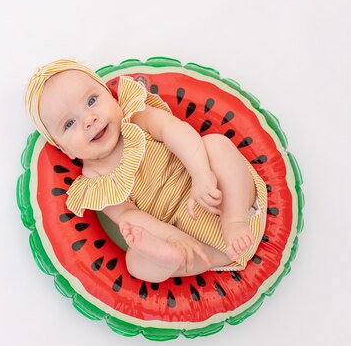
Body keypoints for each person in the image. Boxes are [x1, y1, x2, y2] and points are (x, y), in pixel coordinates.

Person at [26, 59, 267, 283]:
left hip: (221, 197)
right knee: (134, 262)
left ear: (110, 97)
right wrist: (172, 237)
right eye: (69, 124)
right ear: (63, 149)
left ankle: (234, 220)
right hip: (195, 244)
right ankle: (176, 257)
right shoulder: (94, 181)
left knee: (216, 145)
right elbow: (128, 216)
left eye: (92, 101)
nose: (89, 120)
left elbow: (175, 129)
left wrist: (201, 174)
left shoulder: (136, 117)